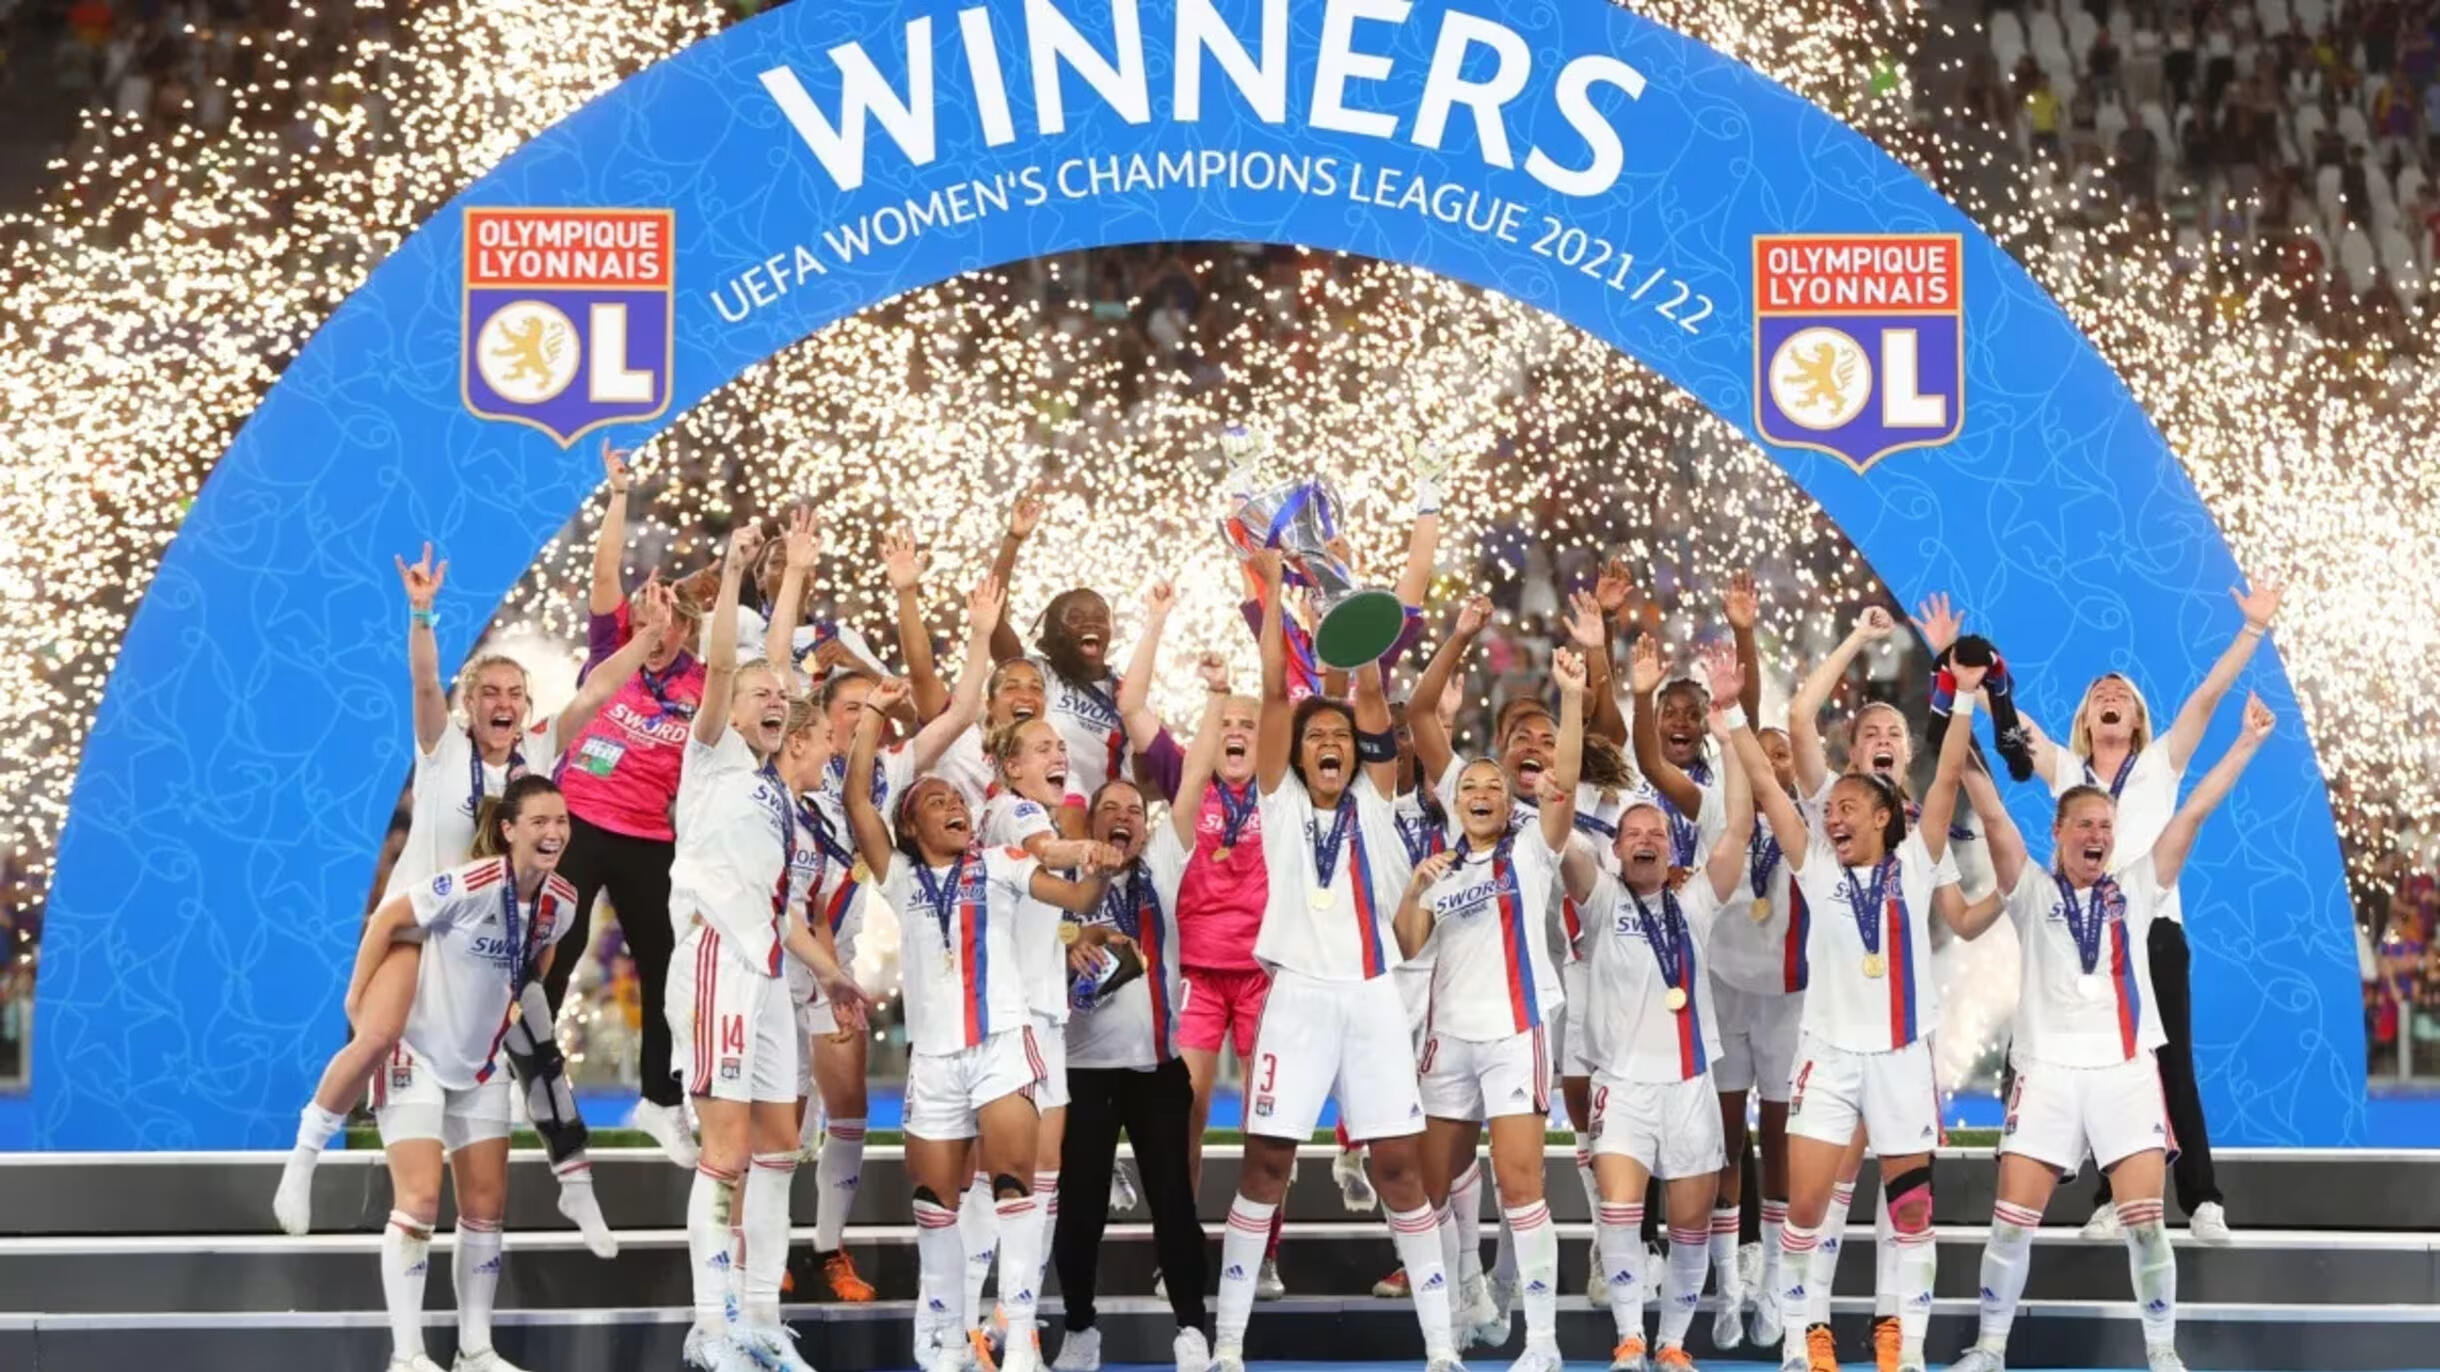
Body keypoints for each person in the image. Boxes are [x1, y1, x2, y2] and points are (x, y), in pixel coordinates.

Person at [273, 538, 672, 1250]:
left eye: (515, 694)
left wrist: (646, 639)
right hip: (419, 927)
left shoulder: (538, 753)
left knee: (539, 1044)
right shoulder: (444, 748)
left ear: (527, 708)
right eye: (490, 693)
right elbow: (425, 682)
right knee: (377, 1035)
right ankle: (304, 1157)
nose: (504, 703)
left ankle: (577, 1186)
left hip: (491, 942)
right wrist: (422, 614)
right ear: (469, 706)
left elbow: (596, 693)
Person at [1945, 692, 2277, 1372]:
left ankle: (2162, 1353)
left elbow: (2193, 811)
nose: (2098, 834)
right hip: (2045, 1074)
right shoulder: (2030, 889)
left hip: (2125, 1074)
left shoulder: (2139, 886)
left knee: (2147, 1227)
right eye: (2085, 823)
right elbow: (1991, 809)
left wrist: (2246, 743)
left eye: (2106, 824)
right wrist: (1956, 709)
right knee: (2010, 1226)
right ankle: (1990, 1349)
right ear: (2060, 831)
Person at [1209, 551, 1454, 1372]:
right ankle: (1229, 1344)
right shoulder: (1277, 802)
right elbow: (1275, 692)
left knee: (1399, 1168)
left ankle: (1442, 1348)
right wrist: (1273, 589)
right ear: (1296, 754)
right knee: (1265, 1164)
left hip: (1373, 997)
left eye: (1339, 737)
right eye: (1315, 737)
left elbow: (1373, 701)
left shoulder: (1378, 803)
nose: (1328, 744)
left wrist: (1355, 624)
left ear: (1357, 754)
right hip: (1299, 1000)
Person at [841, 676, 1117, 1372]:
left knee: (1017, 1186)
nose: (954, 806)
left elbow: (1073, 895)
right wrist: (872, 718)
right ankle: (941, 1341)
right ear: (910, 828)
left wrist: (1099, 865)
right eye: (936, 802)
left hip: (1003, 1045)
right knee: (935, 1204)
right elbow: (857, 803)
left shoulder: (998, 863)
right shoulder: (898, 876)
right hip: (934, 1060)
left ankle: (1019, 1340)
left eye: (958, 799)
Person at [1726, 661, 1994, 1372]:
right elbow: (1769, 790)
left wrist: (1965, 696)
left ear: (1882, 816)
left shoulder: (1918, 862)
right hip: (1828, 1056)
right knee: (1806, 1207)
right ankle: (1802, 1339)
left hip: (1902, 1055)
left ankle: (1906, 1351)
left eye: (1848, 807)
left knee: (1911, 1212)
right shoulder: (1817, 867)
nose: (1833, 816)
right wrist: (1731, 714)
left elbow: (1944, 779)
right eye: (1831, 809)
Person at [761, 519, 994, 1304]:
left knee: (850, 1108)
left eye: (872, 707)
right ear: (819, 714)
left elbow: (962, 710)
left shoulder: (889, 768)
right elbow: (775, 662)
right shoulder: (784, 760)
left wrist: (960, 624)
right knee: (778, 1115)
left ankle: (828, 1247)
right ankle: (761, 1250)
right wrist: (797, 575)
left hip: (838, 962)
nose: (862, 717)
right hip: (775, 956)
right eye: (849, 707)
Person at [2011, 578, 2285, 1243]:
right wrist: (1961, 670)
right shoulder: (2067, 772)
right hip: (2084, 941)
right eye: (2098, 696)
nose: (2109, 698)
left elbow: (2208, 696)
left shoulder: (2162, 762)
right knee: (2111, 1067)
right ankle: (2112, 1200)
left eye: (2122, 696)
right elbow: (2011, 723)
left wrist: (2252, 629)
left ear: (2136, 719)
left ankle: (2203, 1199)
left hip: (2154, 930)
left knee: (2170, 1061)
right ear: (2086, 721)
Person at [660, 521, 870, 1372]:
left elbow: (782, 913)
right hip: (718, 963)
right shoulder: (710, 756)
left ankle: (759, 1319)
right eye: (761, 696)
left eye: (782, 698)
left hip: (774, 972)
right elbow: (726, 667)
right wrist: (740, 572)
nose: (775, 700)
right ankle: (711, 1329)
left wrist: (835, 975)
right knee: (727, 1153)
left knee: (781, 1148)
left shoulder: (776, 793)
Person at [1394, 644, 1590, 1371]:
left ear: (1510, 804)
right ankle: (1447, 1331)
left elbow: (1564, 779)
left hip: (1514, 1034)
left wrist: (1572, 696)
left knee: (1520, 1186)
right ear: (1455, 801)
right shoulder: (1441, 869)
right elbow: (1408, 942)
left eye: (1492, 787)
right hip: (1447, 1039)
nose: (1479, 792)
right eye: (1468, 785)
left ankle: (1541, 1344)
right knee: (1430, 1189)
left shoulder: (1533, 848)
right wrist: (1415, 889)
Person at [355, 774, 579, 1372]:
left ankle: (474, 1351)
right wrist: (359, 1008)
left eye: (561, 821)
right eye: (539, 821)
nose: (554, 832)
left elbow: (538, 959)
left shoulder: (562, 901)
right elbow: (386, 919)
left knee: (486, 1204)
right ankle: (407, 1357)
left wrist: (512, 1006)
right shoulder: (472, 882)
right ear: (508, 830)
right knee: (421, 1198)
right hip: (416, 1050)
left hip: (479, 1061)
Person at [1050, 656, 1236, 1372]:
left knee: (1175, 1205)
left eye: (1135, 810)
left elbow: (1193, 778)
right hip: (1083, 1072)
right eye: (1112, 810)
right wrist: (1069, 940)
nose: (1125, 817)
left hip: (1157, 1069)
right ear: (1091, 821)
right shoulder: (1061, 877)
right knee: (1080, 1210)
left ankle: (1192, 1329)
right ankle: (1079, 1330)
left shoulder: (1163, 863)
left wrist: (1216, 696)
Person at [1571, 645, 1755, 1372]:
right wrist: (1579, 703)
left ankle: (1673, 1343)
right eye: (1634, 833)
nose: (1646, 838)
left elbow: (1737, 830)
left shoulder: (1696, 898)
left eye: (1657, 832)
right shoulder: (1599, 896)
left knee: (1688, 1225)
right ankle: (1629, 1338)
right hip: (1622, 1085)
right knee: (1620, 1215)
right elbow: (1560, 834)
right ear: (1615, 849)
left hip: (1689, 1086)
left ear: (1671, 848)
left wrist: (1731, 728)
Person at [1116, 585, 1290, 1302]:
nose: (1238, 731)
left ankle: (1264, 1255)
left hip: (1264, 975)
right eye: (1227, 723)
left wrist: (1272, 604)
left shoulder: (1281, 787)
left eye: (1250, 722)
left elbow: (1282, 688)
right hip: (1192, 976)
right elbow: (1131, 705)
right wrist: (1155, 621)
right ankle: (1177, 1257)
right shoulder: (1185, 775)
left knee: (1266, 1120)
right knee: (1178, 1119)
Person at [550, 440, 709, 1166]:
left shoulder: (702, 683)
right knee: (557, 947)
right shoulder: (610, 645)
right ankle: (529, 1079)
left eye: (666, 617)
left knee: (668, 966)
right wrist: (618, 496)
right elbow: (603, 570)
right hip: (578, 820)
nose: (653, 626)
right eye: (645, 612)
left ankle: (662, 1101)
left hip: (650, 836)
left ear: (687, 629)